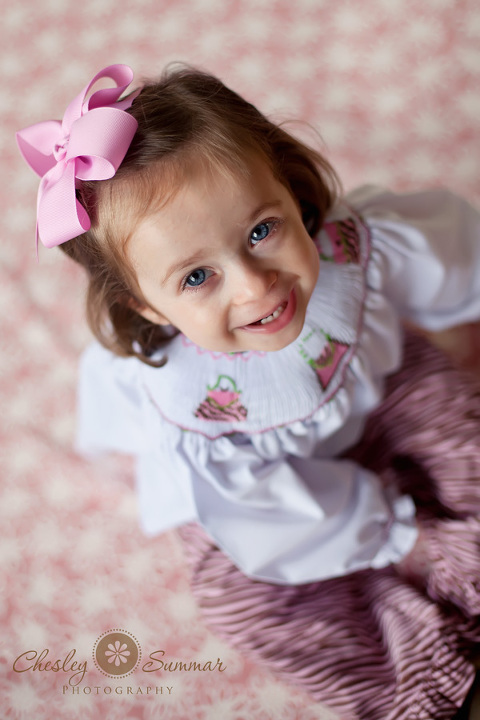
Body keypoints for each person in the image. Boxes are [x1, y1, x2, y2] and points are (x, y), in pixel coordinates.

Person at [17, 64, 480, 720]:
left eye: (262, 230)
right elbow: (259, 516)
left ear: (288, 187)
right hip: (257, 501)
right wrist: (396, 538)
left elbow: (450, 253)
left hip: (380, 396)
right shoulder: (190, 406)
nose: (256, 286)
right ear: (145, 306)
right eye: (197, 277)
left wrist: (462, 314)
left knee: (454, 417)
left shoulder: (351, 247)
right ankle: (432, 675)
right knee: (247, 604)